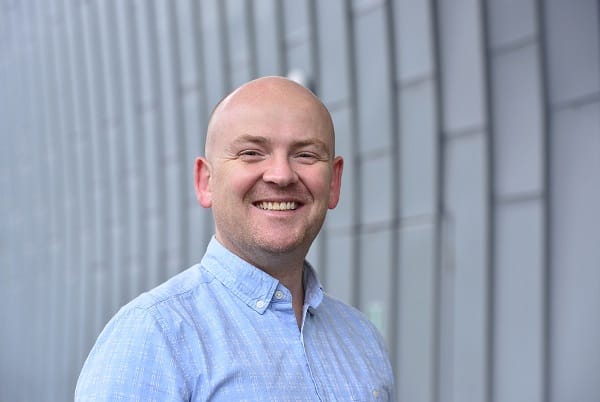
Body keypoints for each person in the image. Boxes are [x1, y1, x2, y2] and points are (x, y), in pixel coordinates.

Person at [75, 76, 394, 401]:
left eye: (306, 155)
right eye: (252, 153)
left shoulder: (363, 341)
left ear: (334, 182)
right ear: (206, 181)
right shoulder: (154, 337)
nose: (281, 175)